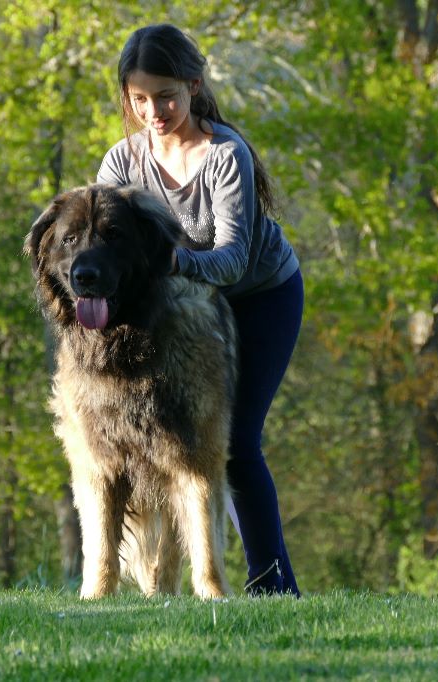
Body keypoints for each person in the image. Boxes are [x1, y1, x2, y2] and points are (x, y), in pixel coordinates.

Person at [96, 23, 303, 597]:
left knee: (235, 441)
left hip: (257, 299)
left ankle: (272, 587)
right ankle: (149, 577)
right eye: (139, 98)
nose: (154, 110)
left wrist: (164, 264)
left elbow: (232, 261)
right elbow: (108, 245)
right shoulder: (121, 163)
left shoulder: (224, 155)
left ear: (193, 85)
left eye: (165, 95)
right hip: (184, 311)